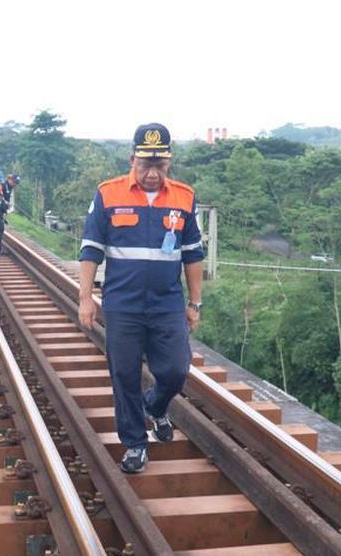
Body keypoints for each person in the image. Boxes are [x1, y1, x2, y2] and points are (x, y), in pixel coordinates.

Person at [77, 123, 204, 474]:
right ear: (132, 158)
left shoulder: (183, 197)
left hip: (166, 305)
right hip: (123, 305)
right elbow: (91, 250)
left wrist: (194, 304)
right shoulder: (108, 194)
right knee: (125, 374)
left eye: (159, 165)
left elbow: (193, 255)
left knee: (176, 370)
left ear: (169, 163)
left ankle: (157, 406)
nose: (152, 173)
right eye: (145, 164)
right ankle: (134, 443)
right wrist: (85, 298)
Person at [0, 173, 21, 251]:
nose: (15, 185)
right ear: (10, 180)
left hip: (2, 211)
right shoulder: (3, 185)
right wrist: (4, 202)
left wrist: (5, 211)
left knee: (0, 229)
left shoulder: (10, 187)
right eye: (14, 182)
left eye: (16, 183)